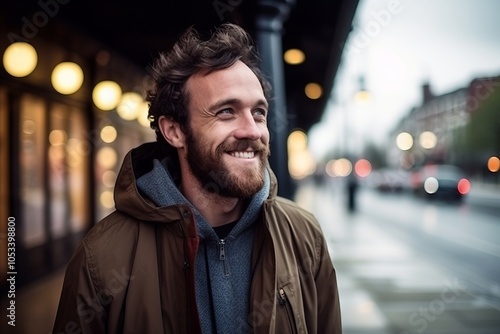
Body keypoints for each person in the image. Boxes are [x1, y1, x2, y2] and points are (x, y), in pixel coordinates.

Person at [53, 23, 342, 334]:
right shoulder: (103, 257)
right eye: (226, 112)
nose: (252, 130)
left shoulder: (304, 236)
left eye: (258, 112)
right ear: (175, 131)